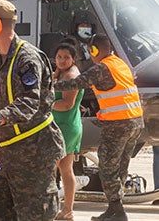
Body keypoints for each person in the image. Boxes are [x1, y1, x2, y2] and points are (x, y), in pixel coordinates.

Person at [0, 0, 65, 221]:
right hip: (2, 154)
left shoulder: (27, 58)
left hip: (34, 153)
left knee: (35, 215)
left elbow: (30, 102)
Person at [54, 34, 144, 221]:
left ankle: (117, 211)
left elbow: (75, 83)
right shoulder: (118, 63)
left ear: (94, 50)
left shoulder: (102, 68)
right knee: (120, 168)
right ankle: (114, 209)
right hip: (135, 122)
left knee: (107, 168)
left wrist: (49, 85)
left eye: (90, 50)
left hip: (118, 124)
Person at [52, 40, 84, 220]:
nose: (62, 60)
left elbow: (66, 104)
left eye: (66, 57)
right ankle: (67, 211)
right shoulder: (62, 73)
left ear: (73, 59)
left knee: (51, 167)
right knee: (65, 168)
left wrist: (46, 104)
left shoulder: (71, 77)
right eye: (59, 57)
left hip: (65, 127)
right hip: (65, 125)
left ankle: (59, 208)